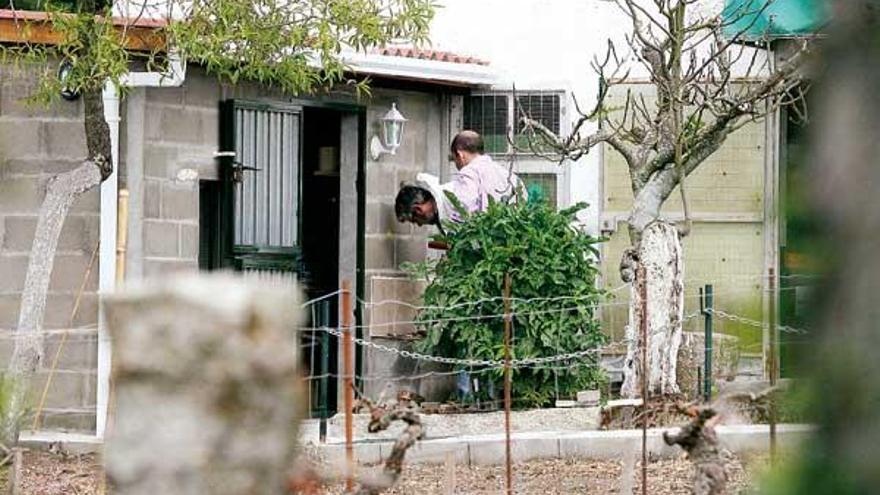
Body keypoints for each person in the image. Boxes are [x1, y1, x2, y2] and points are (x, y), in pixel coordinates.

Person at [395, 130, 525, 231]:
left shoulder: (469, 173)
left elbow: (466, 210)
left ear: (460, 155)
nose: (456, 165)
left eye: (454, 159)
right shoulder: (508, 175)